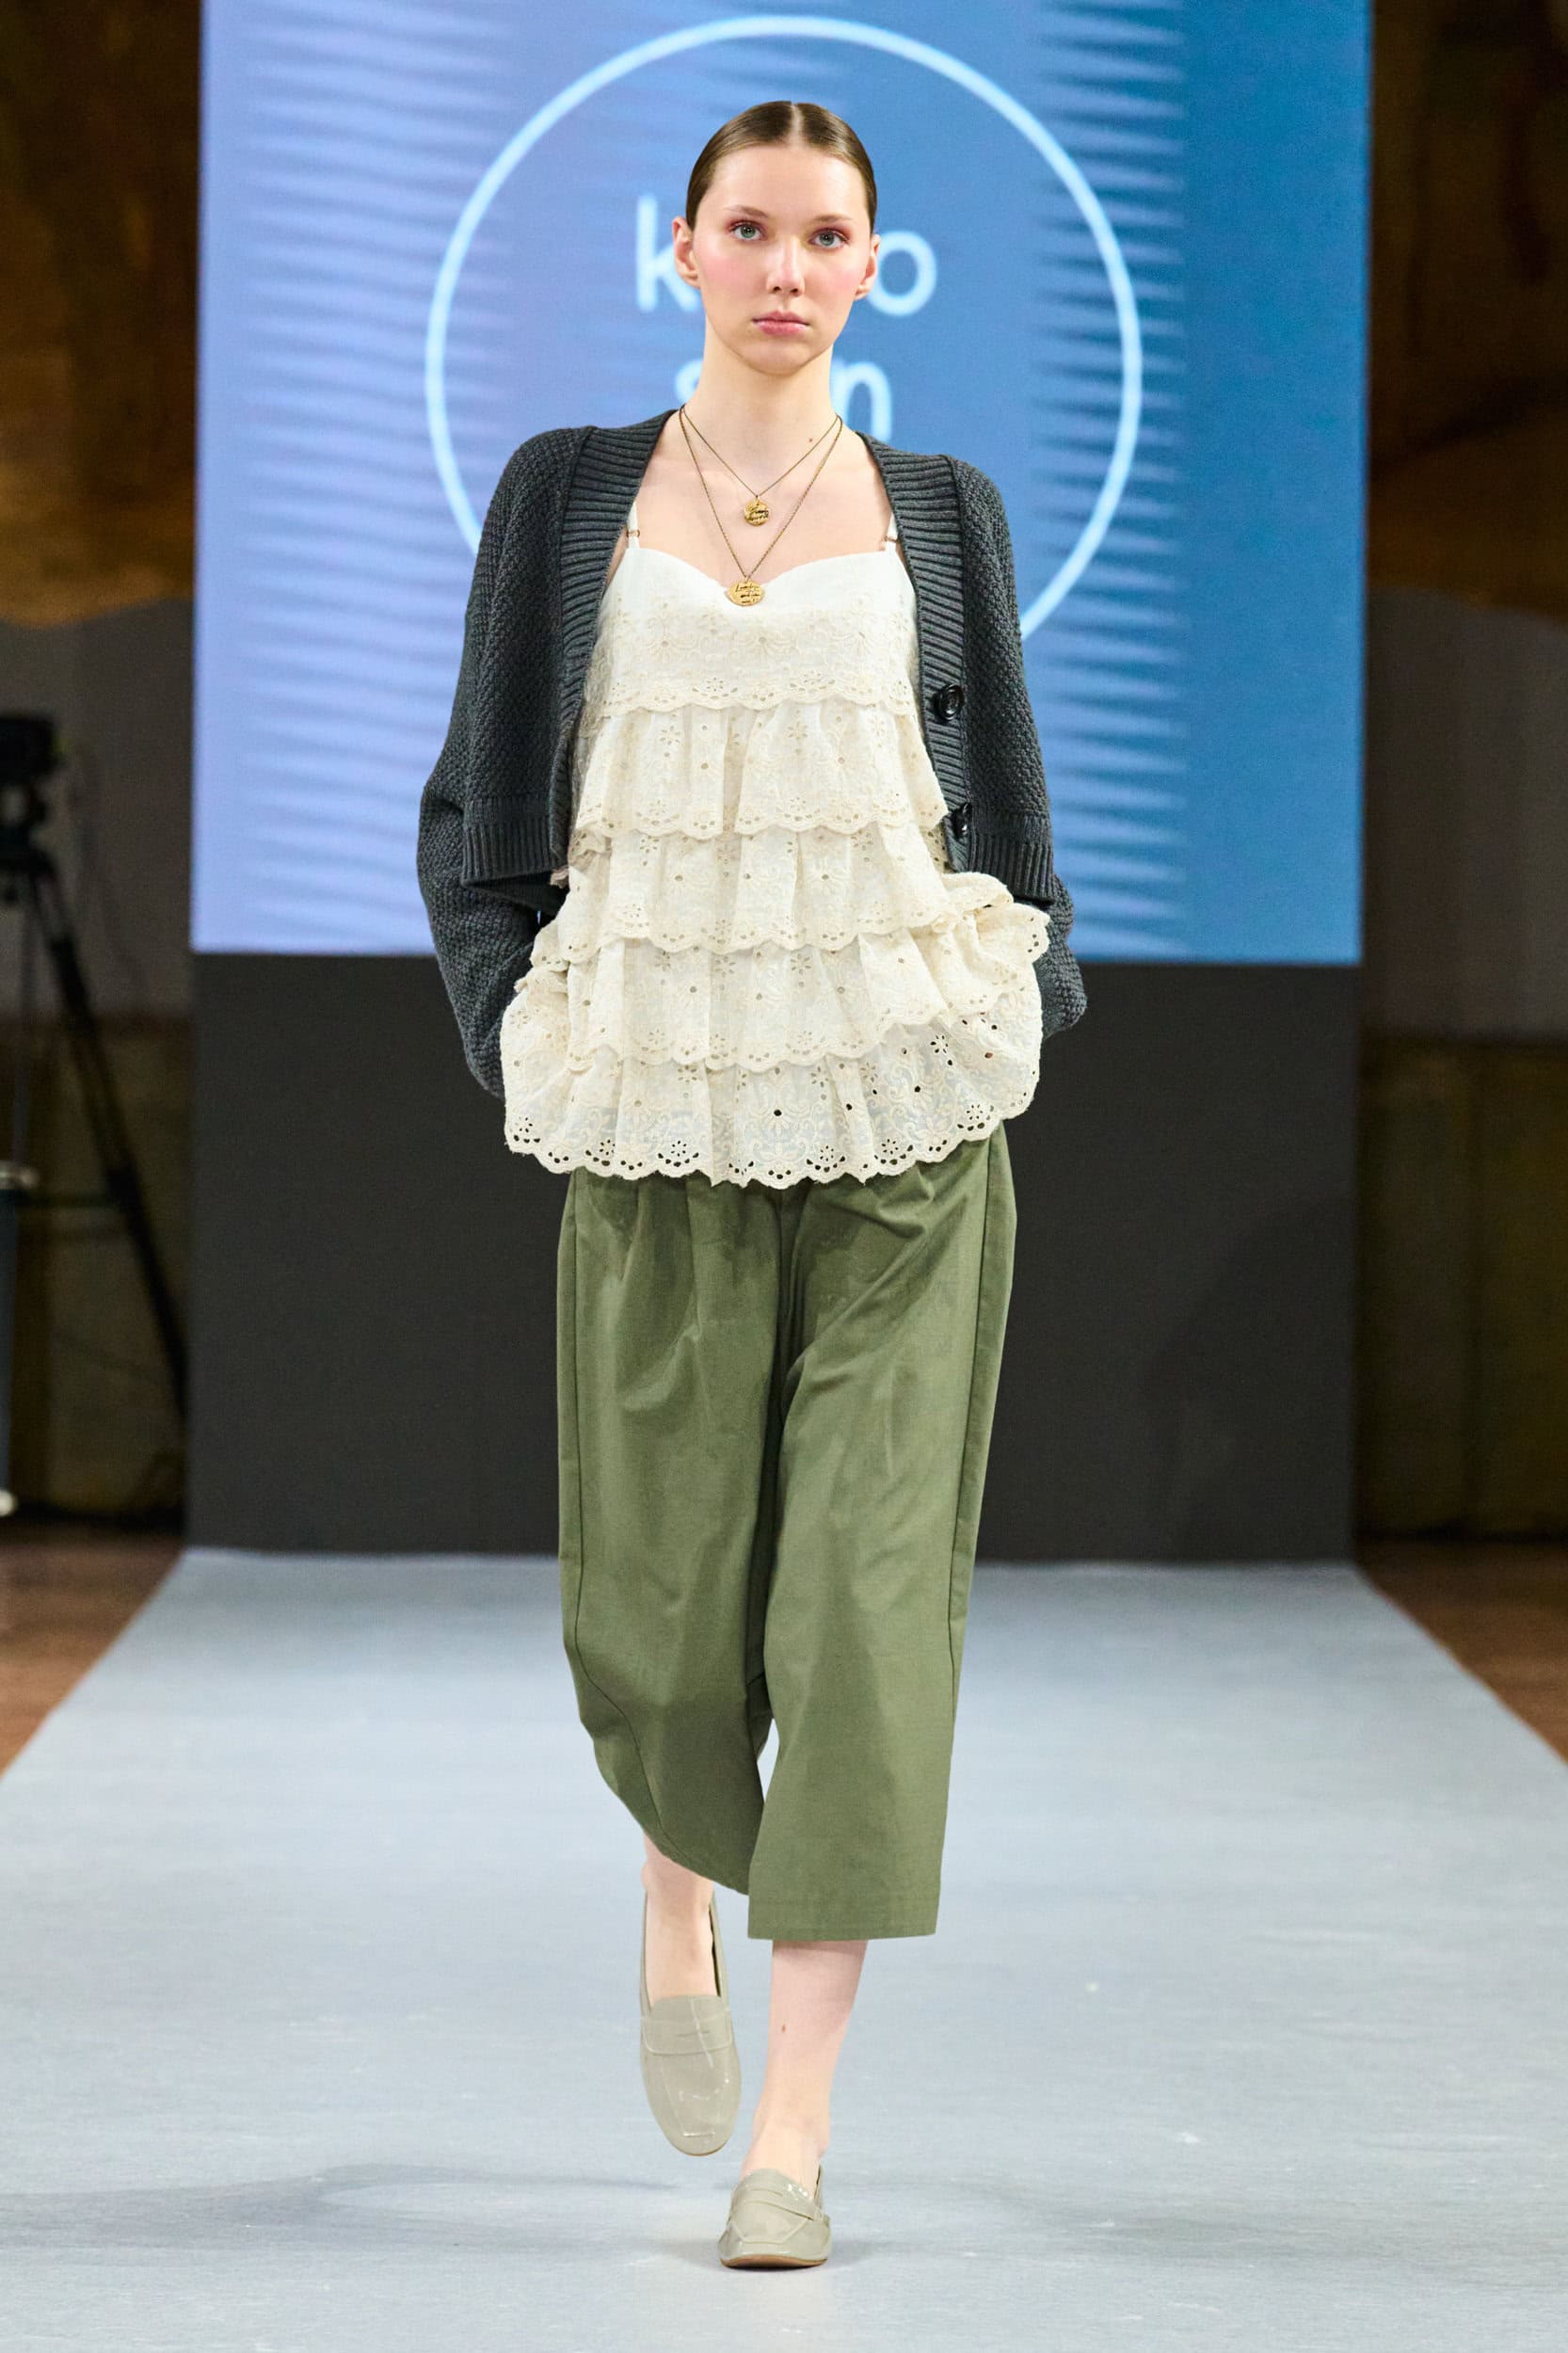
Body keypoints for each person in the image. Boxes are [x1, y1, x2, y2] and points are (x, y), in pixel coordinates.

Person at [417, 98, 1086, 2268]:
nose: (787, 267)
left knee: (866, 1611)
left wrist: (1018, 982)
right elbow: (479, 804)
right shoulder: (570, 494)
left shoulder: (944, 510)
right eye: (750, 227)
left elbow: (1007, 805)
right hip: (661, 1107)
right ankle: (671, 1877)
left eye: (826, 234)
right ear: (683, 247)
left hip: (905, 1116)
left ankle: (793, 2134)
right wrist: (520, 1026)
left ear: (873, 265)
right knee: (660, 1606)